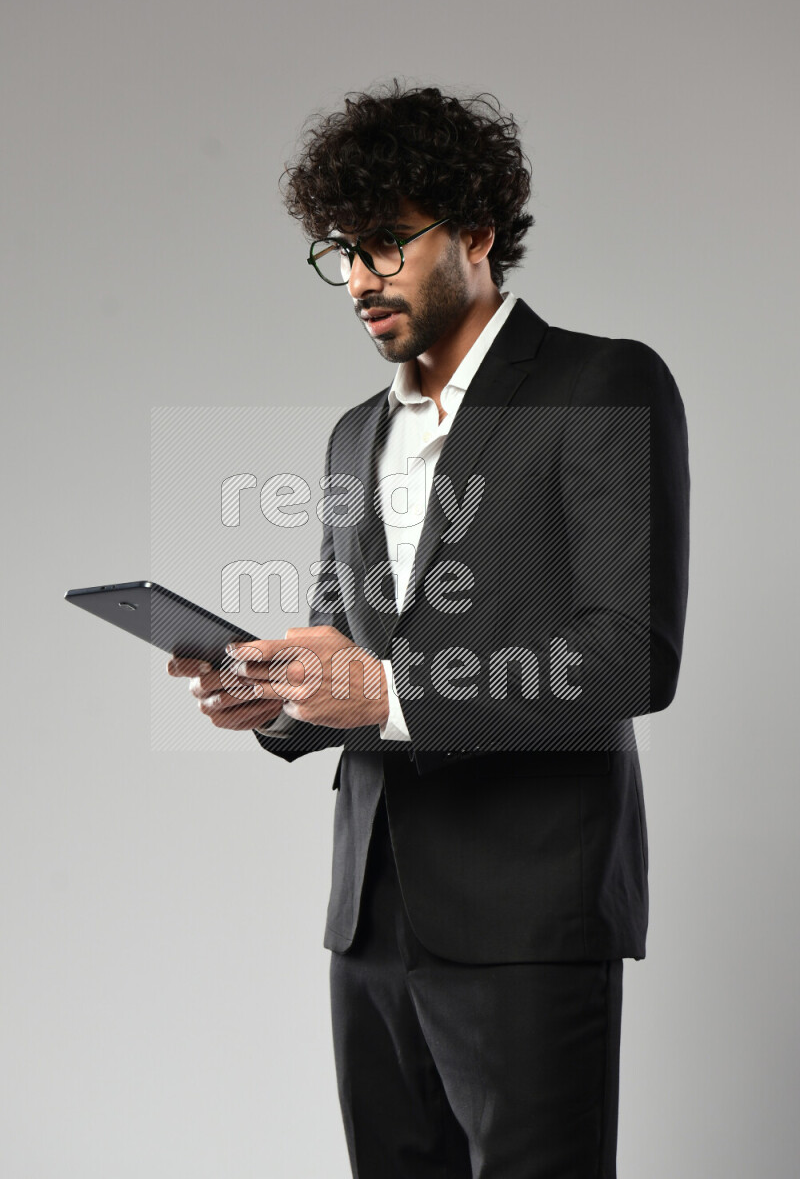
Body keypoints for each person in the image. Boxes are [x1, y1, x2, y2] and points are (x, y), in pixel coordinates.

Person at [168, 81, 690, 1179]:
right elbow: (341, 648)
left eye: (386, 245)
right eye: (342, 252)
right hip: (368, 917)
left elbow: (629, 650)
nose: (359, 277)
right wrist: (276, 701)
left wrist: (392, 697)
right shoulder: (355, 435)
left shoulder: (602, 383)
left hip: (526, 917)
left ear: (475, 233)